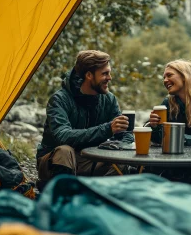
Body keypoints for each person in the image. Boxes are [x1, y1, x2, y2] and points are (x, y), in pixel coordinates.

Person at [36, 50, 134, 184]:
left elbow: (126, 135)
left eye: (109, 73)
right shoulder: (59, 100)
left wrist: (117, 146)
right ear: (89, 75)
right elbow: (63, 136)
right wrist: (107, 129)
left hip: (89, 160)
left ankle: (98, 197)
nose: (110, 77)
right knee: (65, 151)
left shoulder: (109, 99)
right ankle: (61, 196)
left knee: (120, 162)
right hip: (55, 161)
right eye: (105, 73)